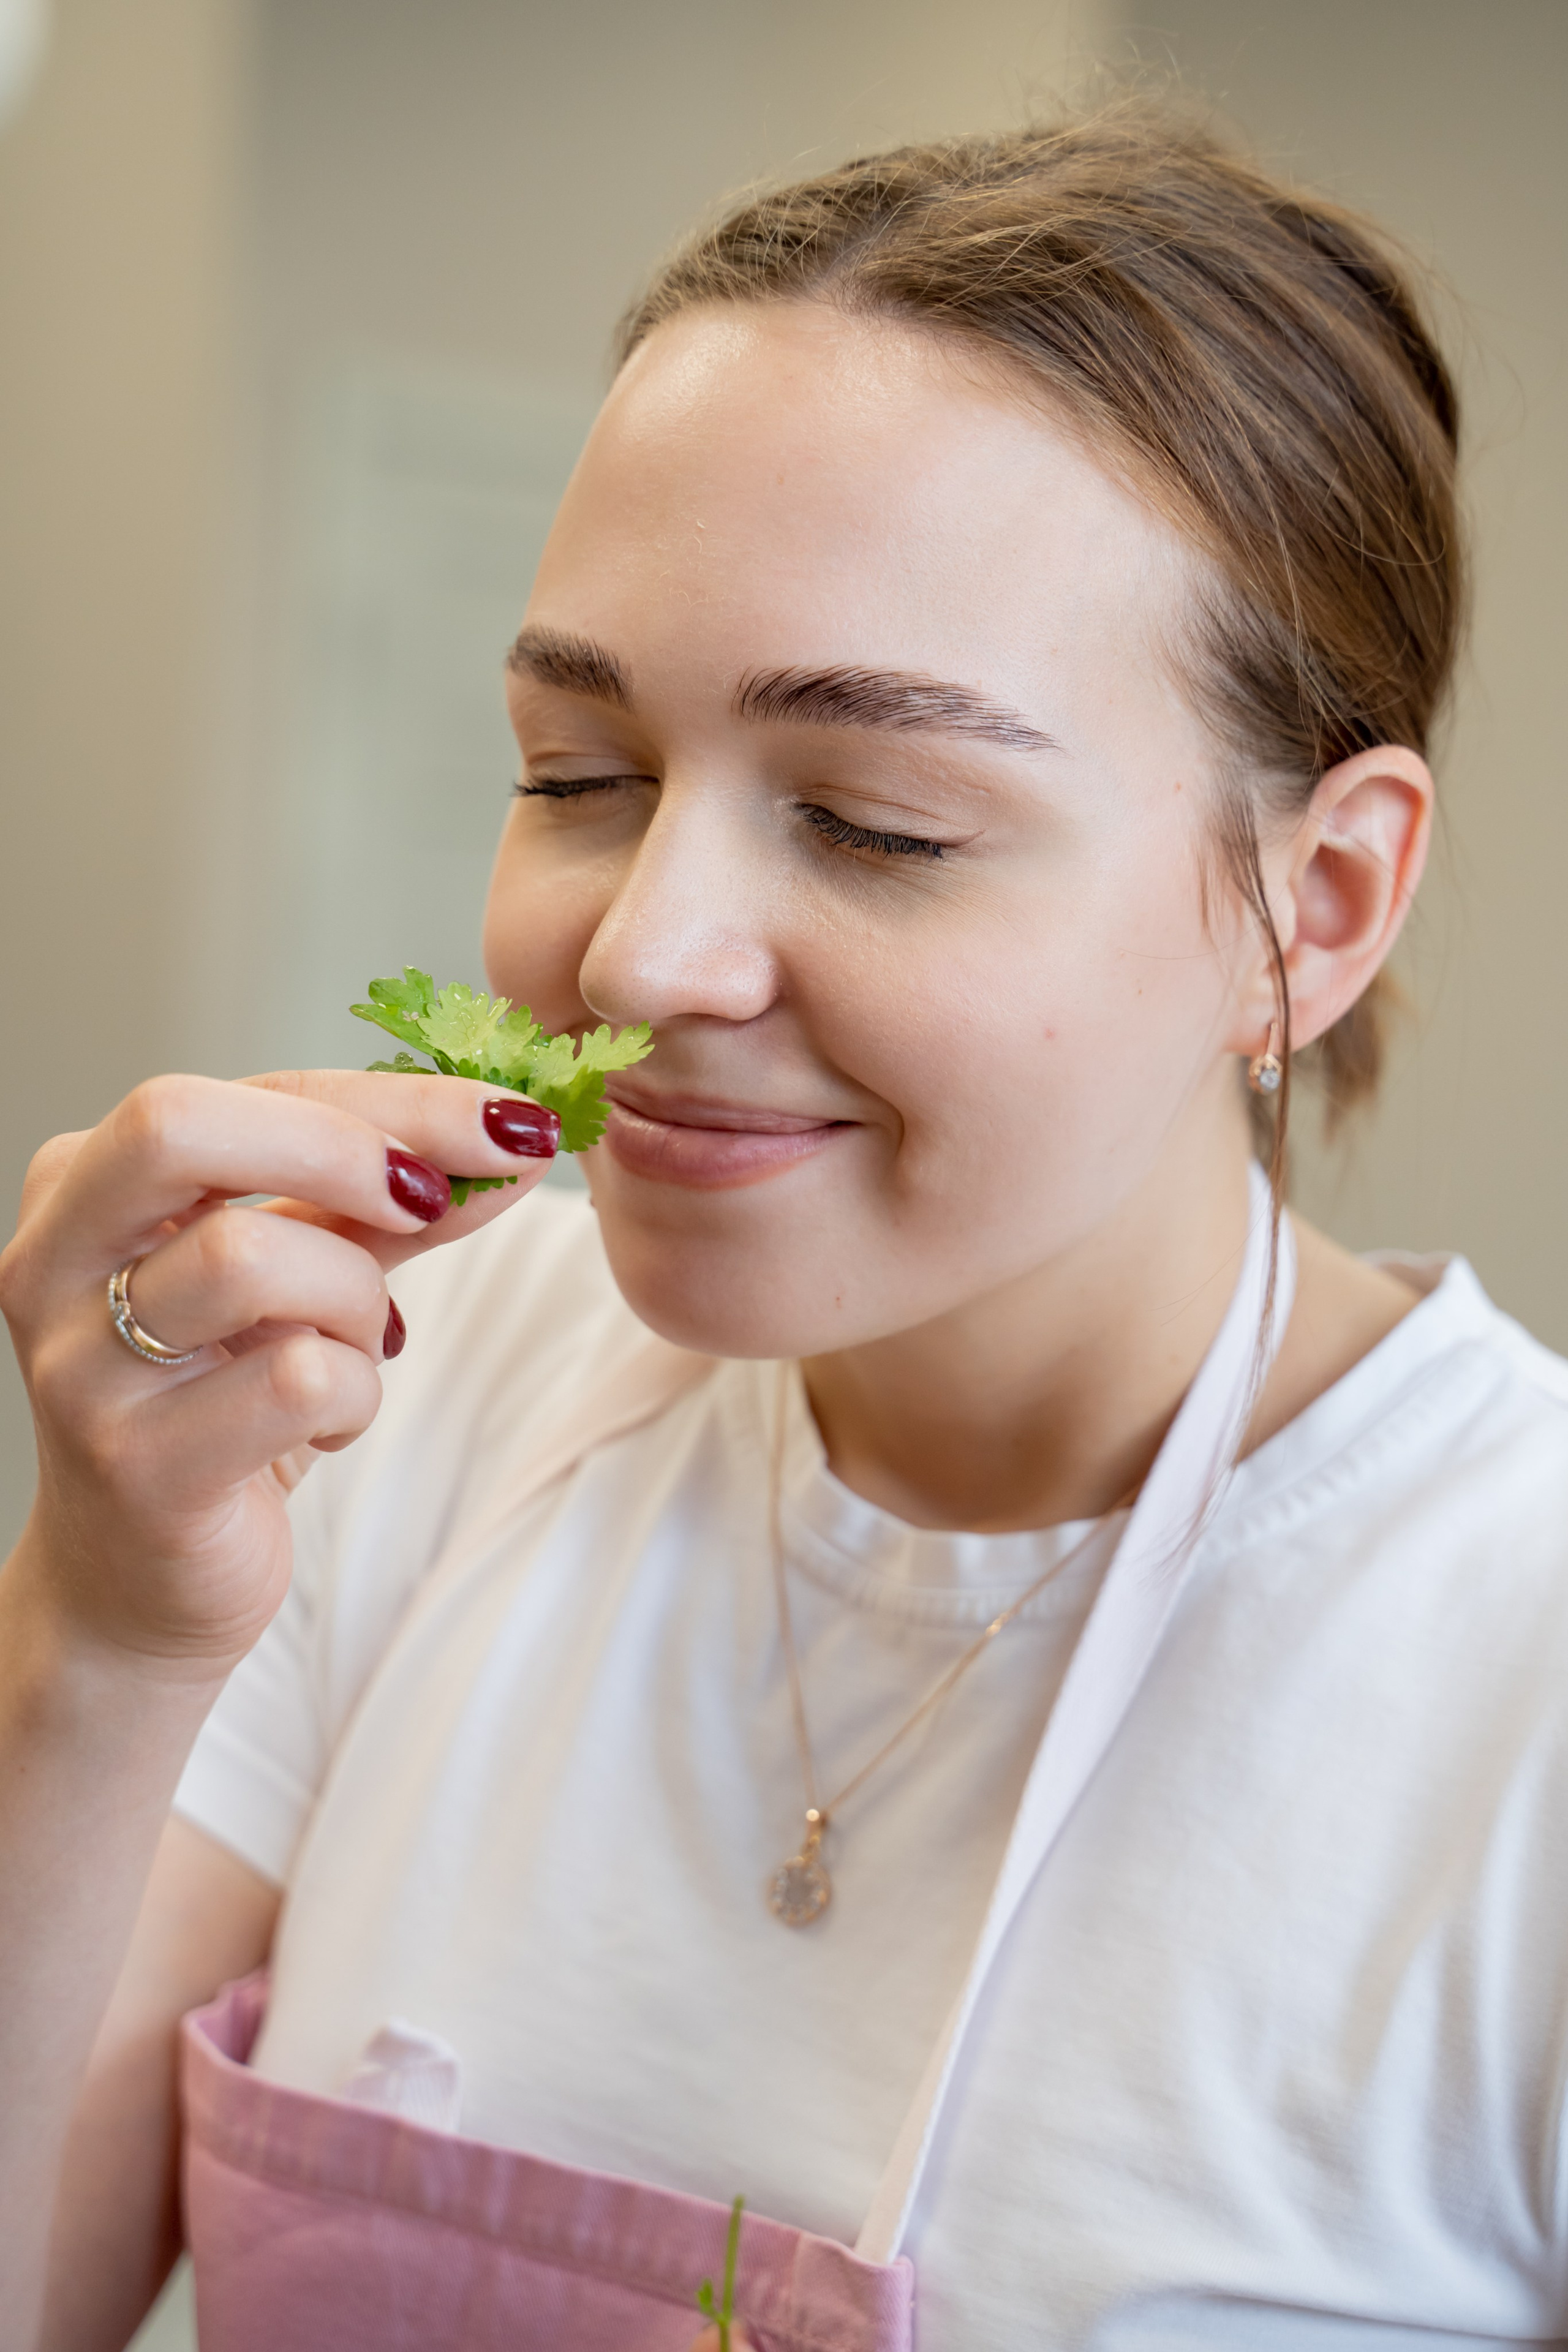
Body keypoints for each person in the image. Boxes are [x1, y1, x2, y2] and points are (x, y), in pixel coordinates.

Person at [4, 101, 1567, 2352]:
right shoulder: (401, 1407)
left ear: (1308, 912)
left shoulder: (1510, 1672)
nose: (641, 954)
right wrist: (103, 1632)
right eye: (577, 774)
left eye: (874, 820)